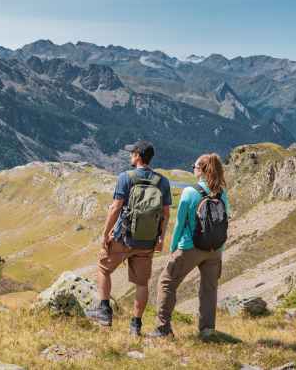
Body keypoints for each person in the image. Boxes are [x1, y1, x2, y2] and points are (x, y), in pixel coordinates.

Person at [85, 140, 172, 336]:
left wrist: (105, 234)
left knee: (103, 268)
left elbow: (116, 208)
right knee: (141, 283)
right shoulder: (163, 182)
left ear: (138, 156)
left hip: (123, 237)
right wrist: (160, 239)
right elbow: (166, 214)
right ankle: (136, 325)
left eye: (132, 152)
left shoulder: (126, 177)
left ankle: (104, 312)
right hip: (147, 240)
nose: (130, 155)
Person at [147, 152, 230, 340]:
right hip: (215, 249)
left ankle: (163, 329)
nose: (192, 169)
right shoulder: (222, 193)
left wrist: (174, 248)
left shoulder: (190, 192)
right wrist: (220, 251)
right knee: (209, 289)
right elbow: (225, 221)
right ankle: (207, 330)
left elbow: (179, 223)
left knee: (167, 282)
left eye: (194, 166)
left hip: (190, 247)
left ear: (201, 170)